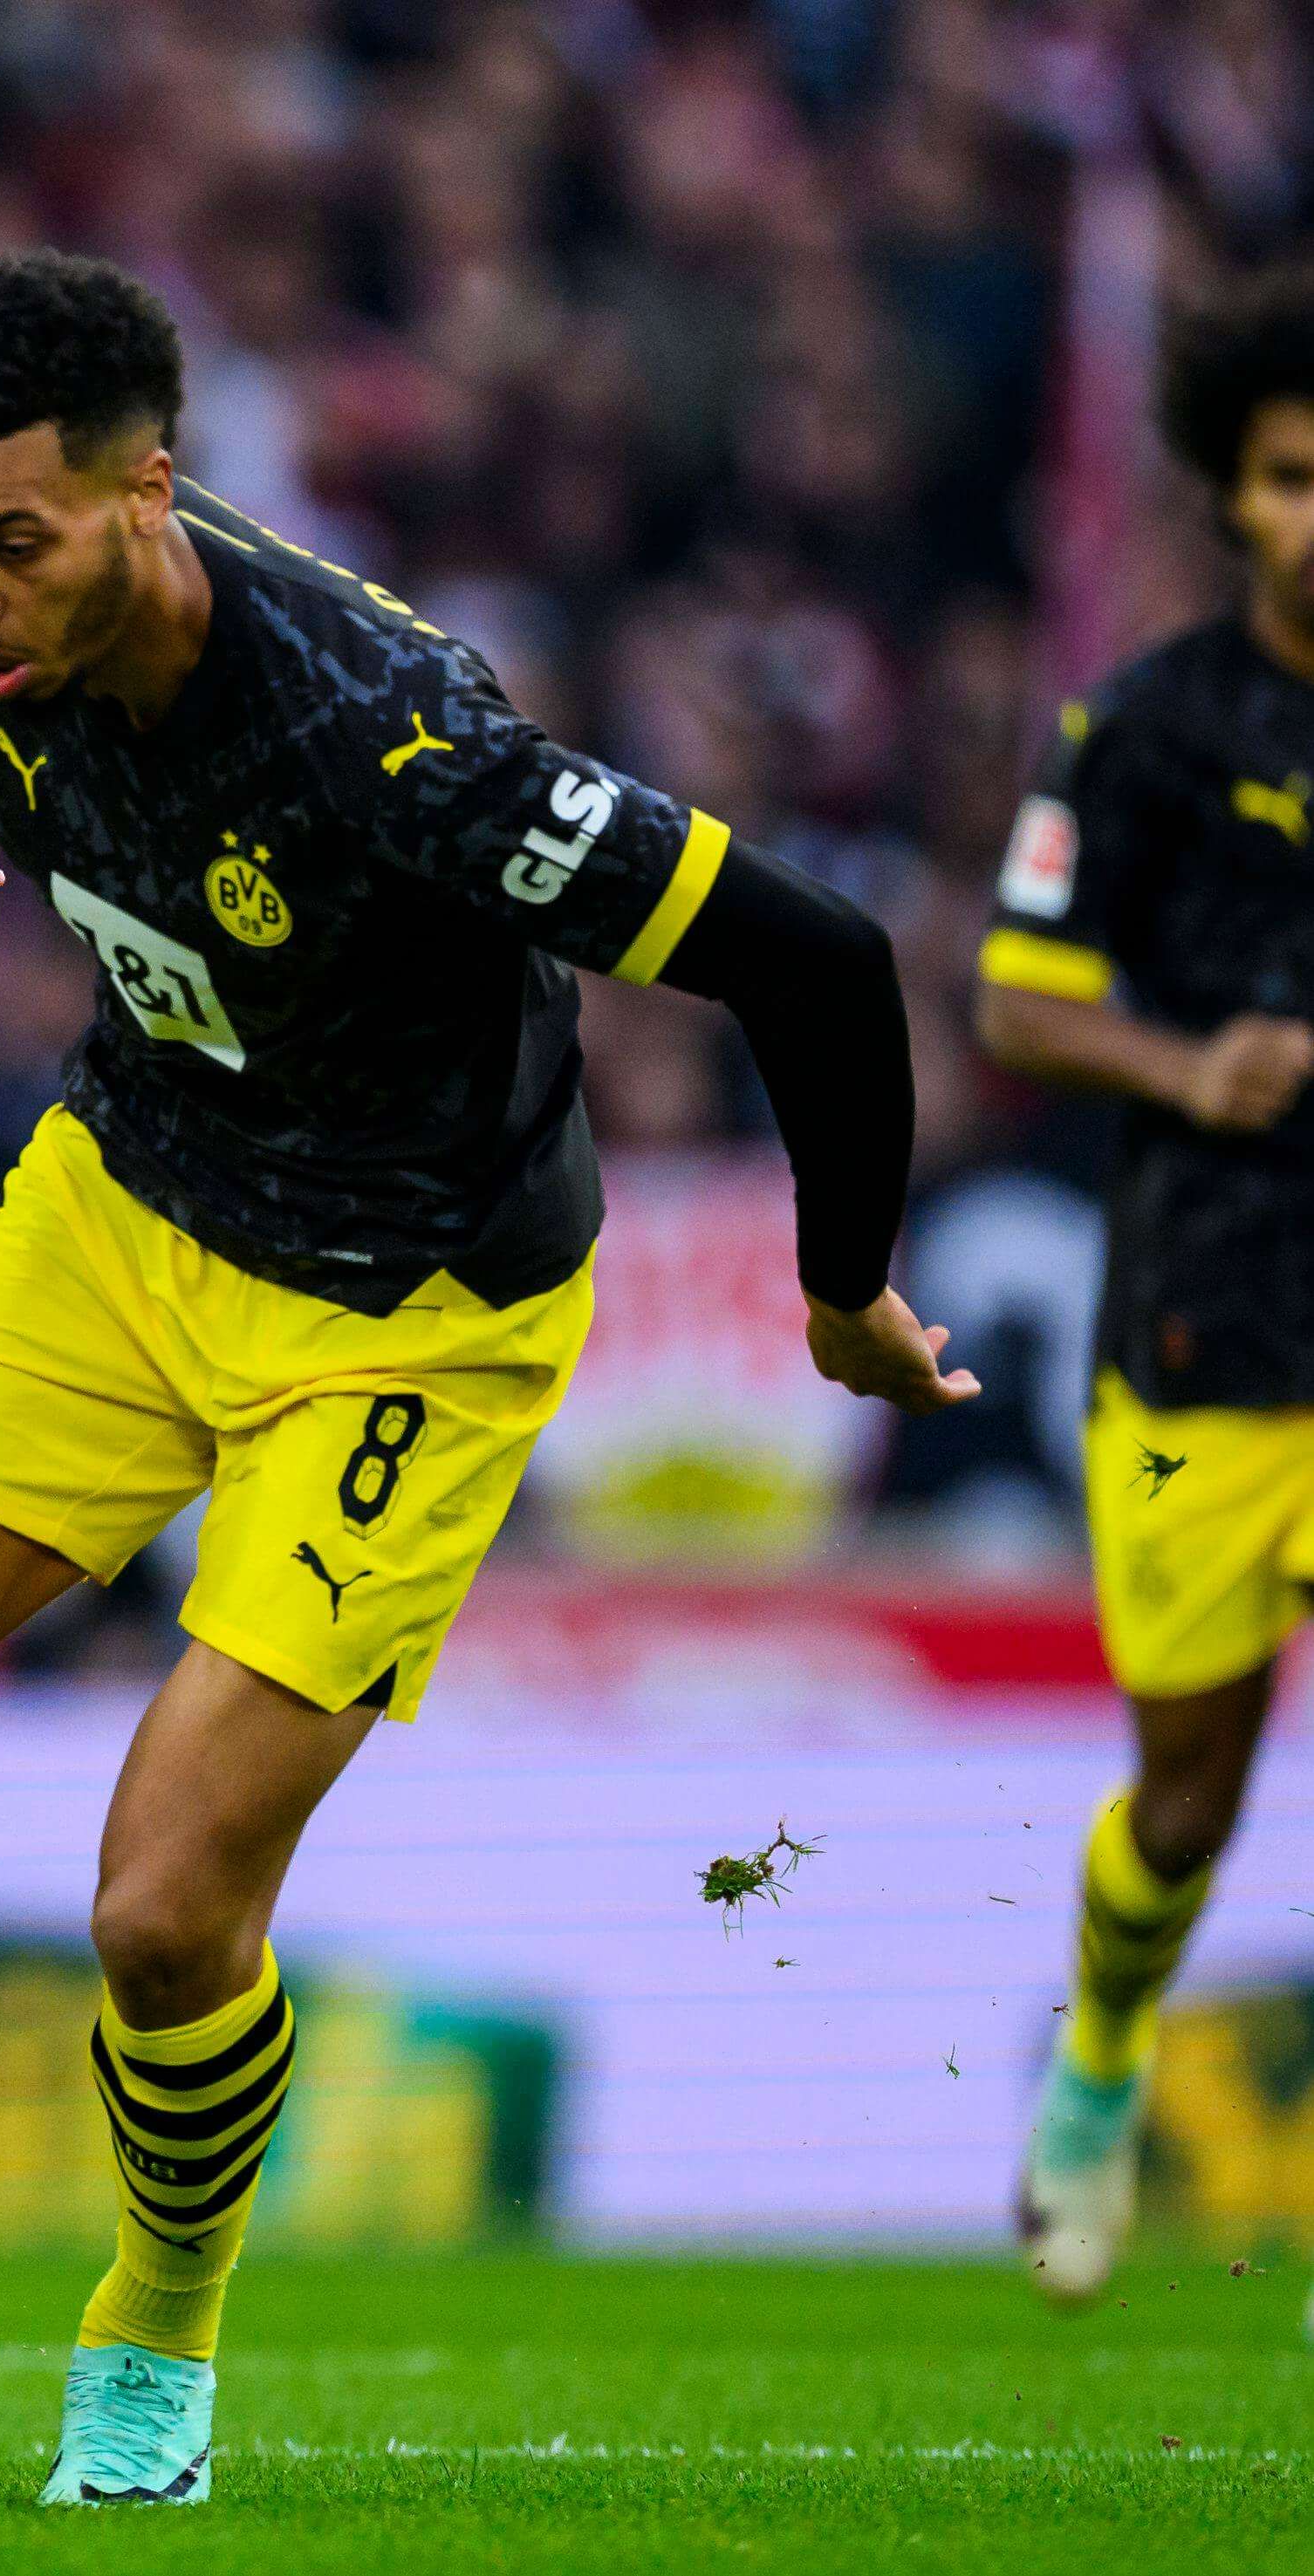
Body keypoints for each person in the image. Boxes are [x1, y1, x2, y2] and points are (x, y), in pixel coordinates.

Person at [0, 249, 970, 2505]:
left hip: (405, 1316)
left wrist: (842, 1288)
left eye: (12, 540)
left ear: (147, 491)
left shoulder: (390, 738)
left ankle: (151, 2338)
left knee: (163, 1912)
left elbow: (821, 959)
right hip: (123, 1208)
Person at [977, 262, 1314, 2322]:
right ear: (1230, 493)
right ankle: (1100, 2059)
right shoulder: (1146, 730)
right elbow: (1016, 996)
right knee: (1187, 1794)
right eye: (1287, 476)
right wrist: (1190, 1068)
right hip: (1205, 1329)